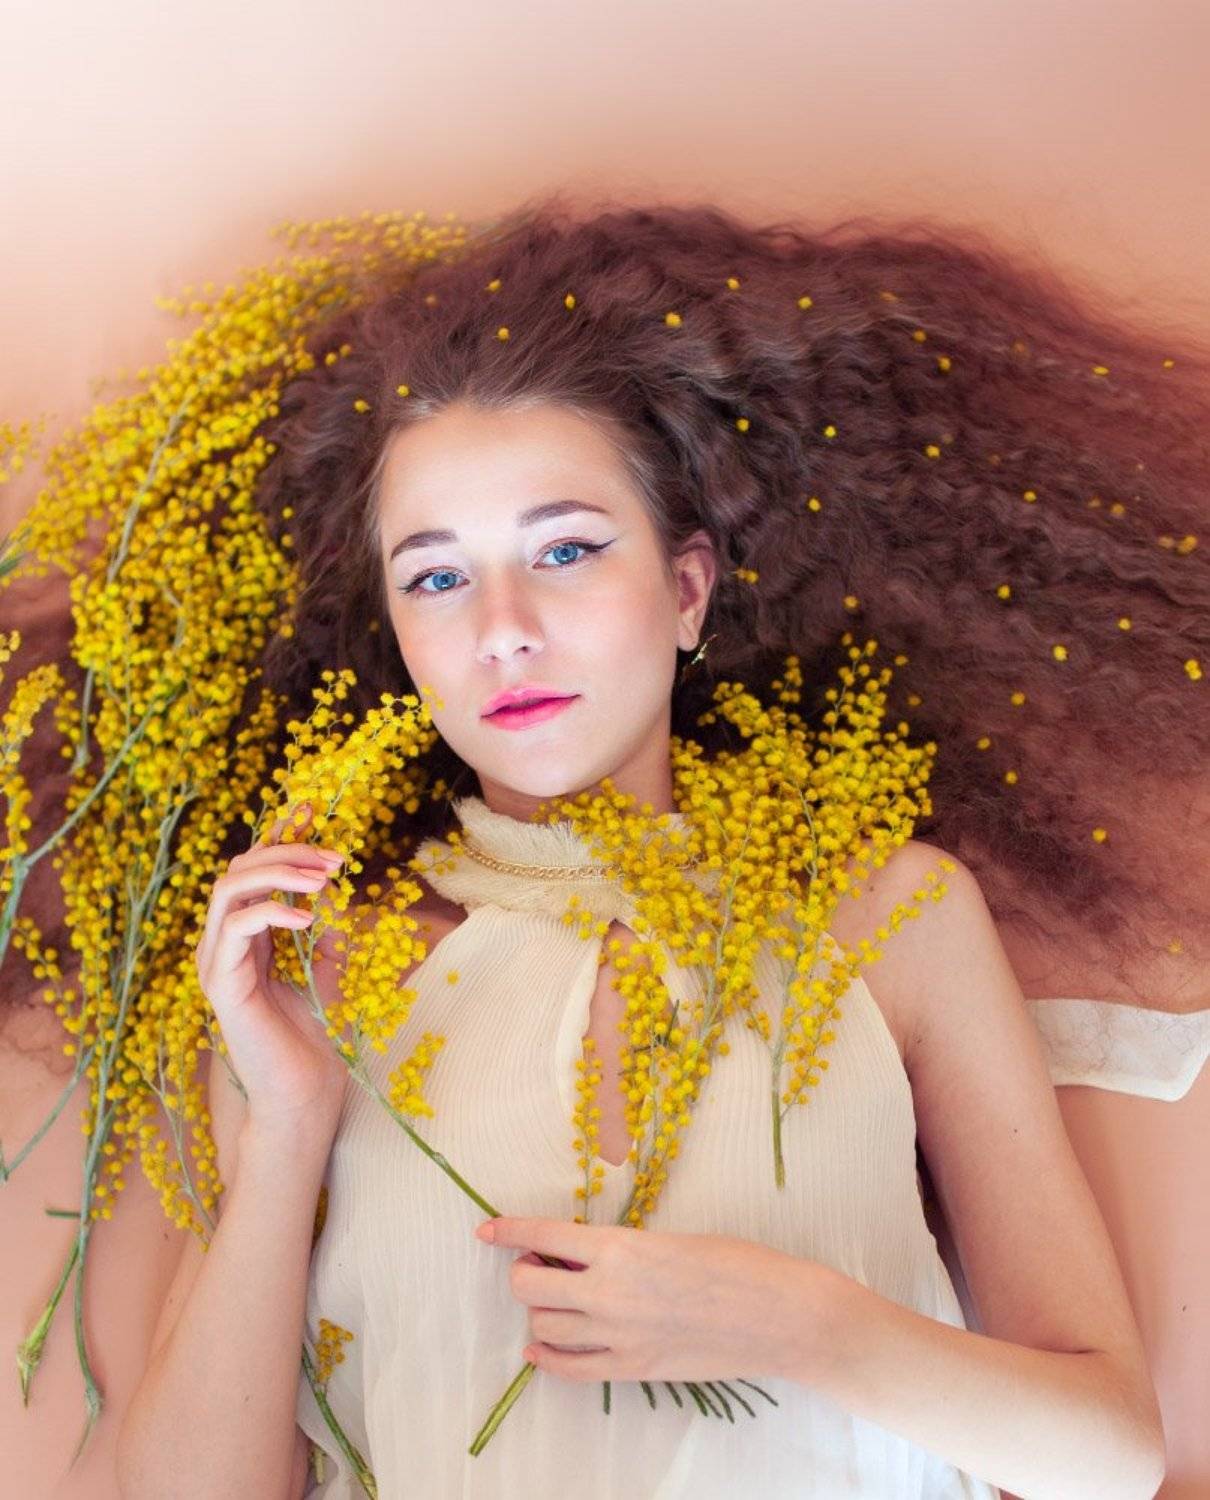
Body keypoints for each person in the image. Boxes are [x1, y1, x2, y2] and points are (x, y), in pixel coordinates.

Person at [117, 195, 1205, 1499]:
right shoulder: (313, 971)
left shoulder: (892, 914)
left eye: (565, 550)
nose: (503, 629)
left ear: (687, 590)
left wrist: (800, 1325)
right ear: (398, 635)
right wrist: (287, 1126)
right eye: (437, 576)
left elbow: (1106, 1455)